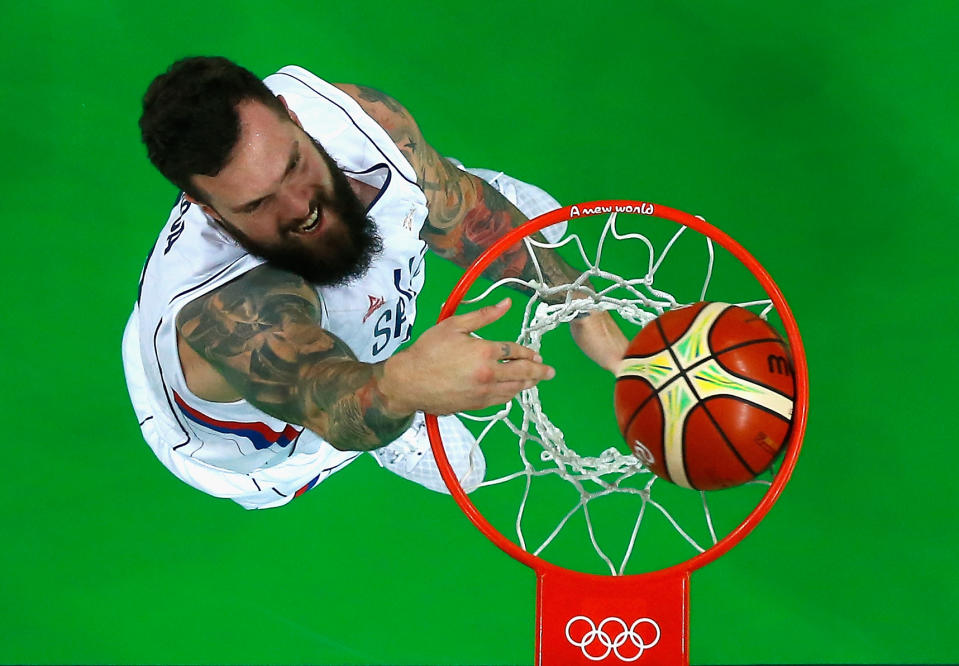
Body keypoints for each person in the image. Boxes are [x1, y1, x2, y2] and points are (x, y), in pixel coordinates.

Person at [122, 56, 627, 509]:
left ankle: (428, 203)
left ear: (291, 115)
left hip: (328, 318)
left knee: (429, 191)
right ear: (210, 210)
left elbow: (463, 211)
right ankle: (393, 400)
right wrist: (404, 386)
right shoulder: (230, 311)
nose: (299, 208)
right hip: (265, 442)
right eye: (256, 204)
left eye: (293, 164)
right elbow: (332, 407)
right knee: (365, 393)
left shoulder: (358, 119)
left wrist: (579, 302)